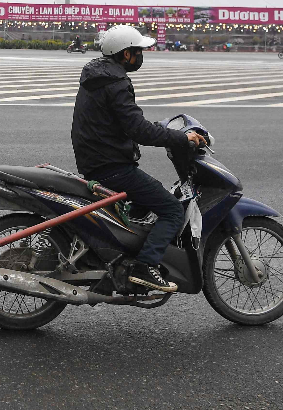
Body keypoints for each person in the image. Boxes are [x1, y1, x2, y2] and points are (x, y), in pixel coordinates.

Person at [70, 25, 206, 293]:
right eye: (138, 51)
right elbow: (137, 129)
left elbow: (123, 122)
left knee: (144, 204)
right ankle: (145, 266)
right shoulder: (116, 82)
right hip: (111, 165)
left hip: (96, 159)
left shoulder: (98, 75)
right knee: (171, 209)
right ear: (125, 54)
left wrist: (162, 129)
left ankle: (122, 257)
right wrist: (181, 138)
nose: (141, 55)